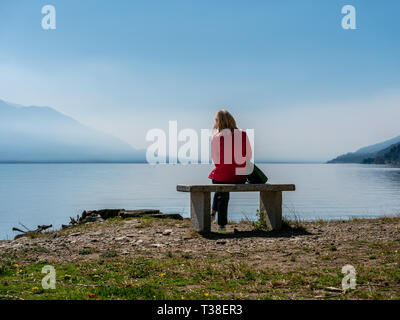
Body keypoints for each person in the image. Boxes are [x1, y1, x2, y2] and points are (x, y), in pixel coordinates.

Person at [208, 110, 252, 231]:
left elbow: (216, 161)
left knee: (219, 183)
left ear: (218, 122)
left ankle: (220, 222)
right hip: (240, 176)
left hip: (222, 177)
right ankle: (213, 215)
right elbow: (248, 156)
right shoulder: (243, 134)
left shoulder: (216, 137)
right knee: (221, 186)